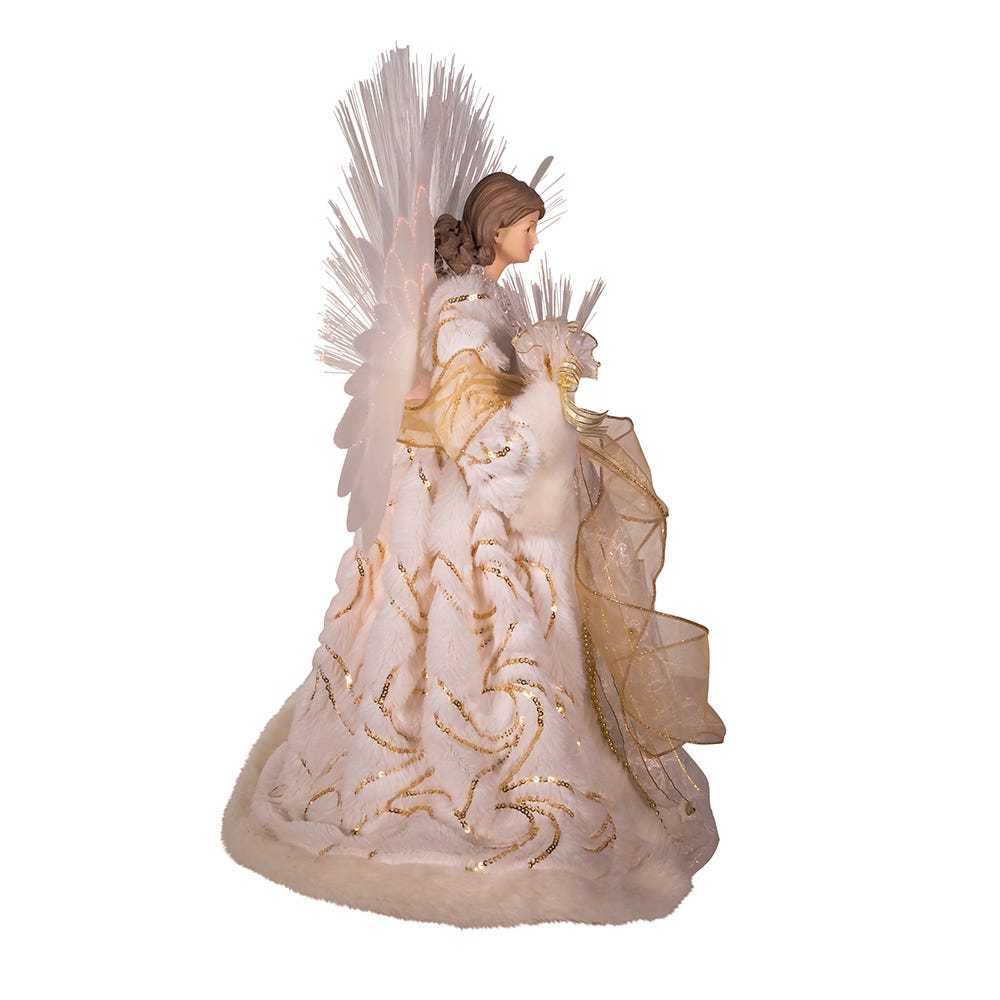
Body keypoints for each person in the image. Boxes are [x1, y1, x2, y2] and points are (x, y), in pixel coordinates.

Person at [222, 52, 723, 927]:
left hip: (463, 485)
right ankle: (462, 774)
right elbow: (466, 419)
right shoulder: (465, 307)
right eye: (529, 225)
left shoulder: (483, 300)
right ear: (499, 228)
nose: (537, 241)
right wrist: (541, 409)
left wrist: (544, 391)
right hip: (458, 502)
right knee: (464, 630)